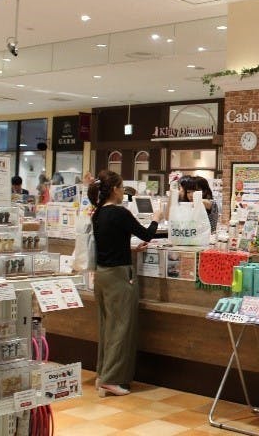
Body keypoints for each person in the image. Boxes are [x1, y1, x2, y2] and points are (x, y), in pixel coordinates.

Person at [88, 170, 162, 397]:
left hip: (101, 275)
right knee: (121, 327)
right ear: (114, 189)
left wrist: (130, 249)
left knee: (107, 326)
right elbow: (146, 234)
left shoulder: (97, 213)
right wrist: (157, 217)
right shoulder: (120, 213)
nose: (122, 192)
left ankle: (102, 373)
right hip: (119, 277)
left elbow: (108, 245)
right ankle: (111, 380)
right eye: (121, 187)